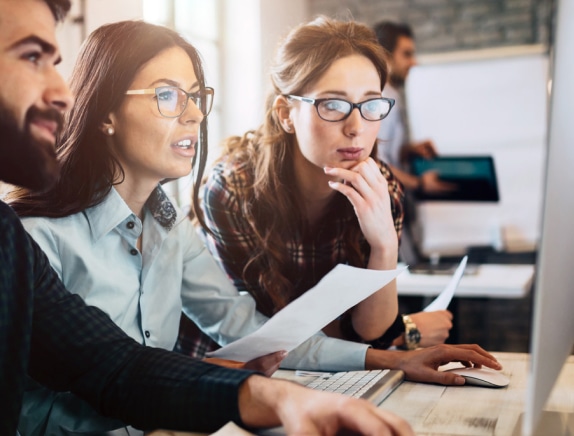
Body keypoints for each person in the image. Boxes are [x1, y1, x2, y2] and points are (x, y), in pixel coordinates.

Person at [0, 0, 418, 435]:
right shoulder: (30, 239)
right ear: (106, 112)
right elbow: (85, 386)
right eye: (167, 95)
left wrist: (388, 359)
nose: (196, 114)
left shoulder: (169, 229)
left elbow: (221, 333)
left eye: (197, 97)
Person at [192, 15, 454, 353]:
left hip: (323, 374)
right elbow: (272, 332)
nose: (356, 127)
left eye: (371, 103)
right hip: (223, 373)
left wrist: (384, 244)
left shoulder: (382, 187)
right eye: (332, 103)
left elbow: (371, 328)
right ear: (286, 114)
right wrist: (408, 328)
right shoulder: (234, 188)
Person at [373, 20, 450, 194]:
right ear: (385, 56)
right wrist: (419, 183)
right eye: (407, 54)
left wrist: (407, 151)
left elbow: (384, 152)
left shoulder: (392, 94)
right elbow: (374, 161)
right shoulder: (381, 99)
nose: (414, 62)